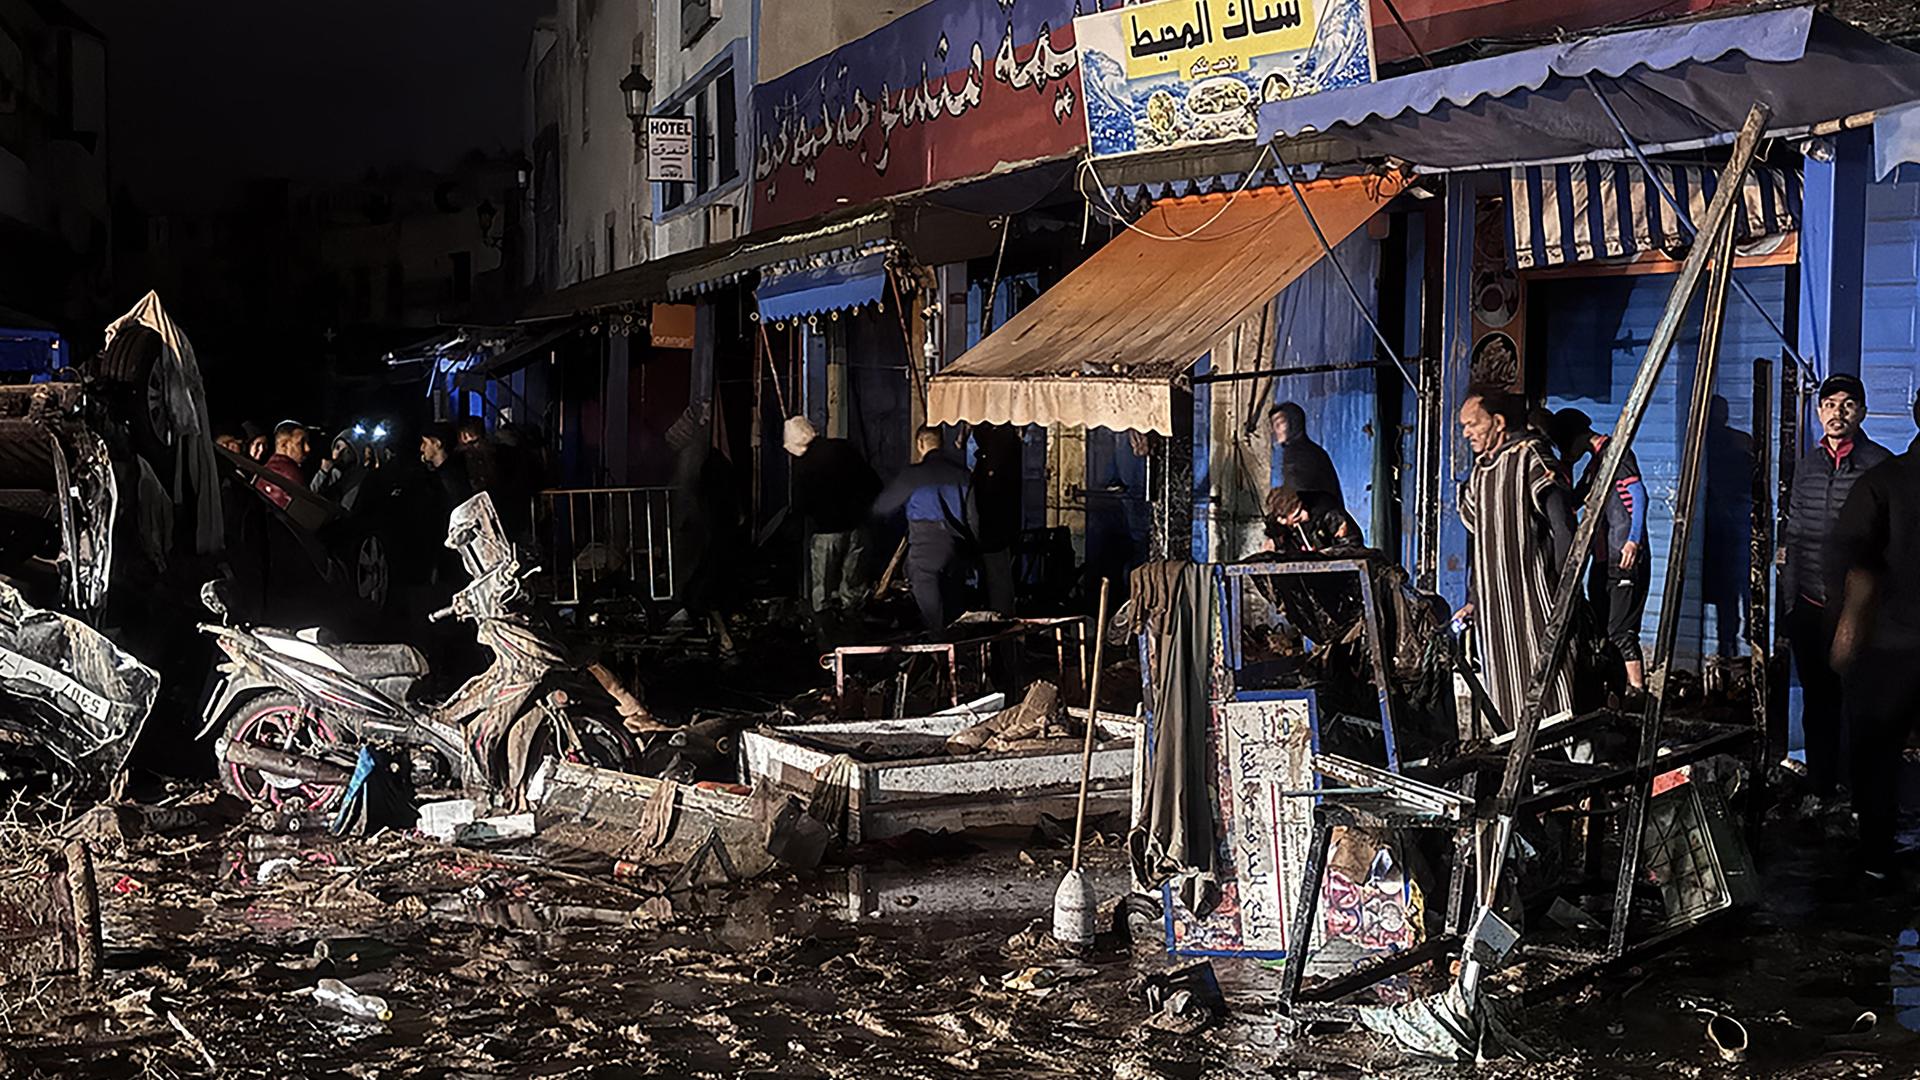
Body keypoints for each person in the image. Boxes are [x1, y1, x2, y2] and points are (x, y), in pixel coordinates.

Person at [1782, 373, 1891, 809]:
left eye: (1847, 405)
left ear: (1861, 412)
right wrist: (1790, 605)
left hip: (1859, 612)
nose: (1837, 413)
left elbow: (1890, 541)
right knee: (1818, 700)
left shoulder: (1880, 465)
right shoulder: (1807, 467)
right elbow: (1792, 536)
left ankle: (1863, 793)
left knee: (1861, 704)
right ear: (1818, 410)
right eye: (1829, 404)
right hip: (1811, 606)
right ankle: (1822, 788)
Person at [1831, 395, 1920, 880]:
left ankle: (1876, 859)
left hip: (1890, 649)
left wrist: (1846, 635)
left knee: (1877, 756)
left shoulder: (1881, 482)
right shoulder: (1880, 482)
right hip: (1893, 642)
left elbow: (1857, 568)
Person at [1456, 387, 1578, 731]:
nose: (1466, 433)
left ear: (1497, 422)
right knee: (1509, 700)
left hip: (1535, 603)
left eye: (1472, 424)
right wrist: (1473, 598)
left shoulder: (1531, 458)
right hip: (1496, 614)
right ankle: (1530, 777)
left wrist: (1564, 587)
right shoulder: (1479, 474)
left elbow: (1564, 526)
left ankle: (1578, 772)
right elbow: (1476, 541)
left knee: (1553, 691)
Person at [1549, 408, 1651, 695]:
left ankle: (1637, 693)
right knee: (1602, 631)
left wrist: (1634, 539)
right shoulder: (1595, 465)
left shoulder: (1616, 453)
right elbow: (1573, 500)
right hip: (1603, 561)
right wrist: (1563, 468)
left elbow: (1639, 495)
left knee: (1620, 631)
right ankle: (1617, 692)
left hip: (1625, 555)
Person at [874, 426, 978, 634]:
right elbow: (973, 518)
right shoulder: (963, 475)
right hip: (957, 549)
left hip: (925, 547)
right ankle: (960, 658)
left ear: (920, 444)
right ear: (942, 443)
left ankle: (939, 655)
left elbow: (882, 509)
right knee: (955, 613)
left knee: (933, 618)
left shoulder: (913, 476)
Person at [785, 416, 880, 622]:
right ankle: (854, 624)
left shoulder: (803, 464)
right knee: (854, 586)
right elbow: (873, 483)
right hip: (857, 527)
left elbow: (800, 503)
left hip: (826, 532)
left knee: (823, 589)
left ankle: (826, 630)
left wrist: (796, 527)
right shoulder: (843, 448)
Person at [971, 424, 1024, 616]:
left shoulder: (996, 452)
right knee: (997, 577)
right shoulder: (1006, 448)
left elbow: (988, 494)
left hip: (993, 529)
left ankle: (1000, 621)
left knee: (997, 577)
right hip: (997, 527)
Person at [1269, 401, 1344, 507]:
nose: (1274, 430)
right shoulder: (1310, 450)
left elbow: (1295, 500)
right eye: (1273, 425)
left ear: (1293, 422)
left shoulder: (1300, 455)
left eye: (1280, 423)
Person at [1262, 484, 1360, 554]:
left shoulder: (1328, 511)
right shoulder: (1278, 524)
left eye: (1303, 507)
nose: (1306, 514)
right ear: (1283, 521)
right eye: (1297, 516)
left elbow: (1353, 544)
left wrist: (1322, 555)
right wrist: (1275, 542)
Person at [254, 420, 310, 511]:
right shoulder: (292, 475)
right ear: (284, 445)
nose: (307, 449)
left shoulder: (264, 471)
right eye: (301, 443)